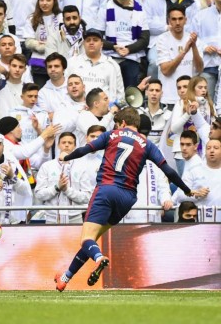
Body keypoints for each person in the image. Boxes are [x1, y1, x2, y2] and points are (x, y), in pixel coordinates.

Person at [54, 107, 200, 292]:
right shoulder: (148, 144)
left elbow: (85, 149)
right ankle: (65, 278)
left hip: (106, 190)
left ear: (122, 123)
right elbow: (168, 171)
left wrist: (66, 156)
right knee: (93, 239)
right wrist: (187, 190)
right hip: (127, 198)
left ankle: (99, 258)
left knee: (86, 239)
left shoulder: (112, 135)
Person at [102, 0, 150, 88]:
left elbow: (145, 39)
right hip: (110, 56)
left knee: (131, 93)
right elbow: (97, 37)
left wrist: (129, 49)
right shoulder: (106, 8)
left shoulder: (139, 10)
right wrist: (113, 46)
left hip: (132, 57)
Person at [35, 132, 93, 224]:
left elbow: (87, 197)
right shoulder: (47, 166)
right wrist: (57, 187)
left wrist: (67, 190)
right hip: (51, 218)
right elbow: (39, 194)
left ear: (75, 146)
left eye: (70, 143)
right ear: (58, 145)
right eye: (63, 142)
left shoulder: (82, 167)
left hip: (75, 218)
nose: (66, 145)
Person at [156, 5, 203, 108]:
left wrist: (193, 46)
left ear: (185, 20)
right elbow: (166, 71)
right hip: (169, 99)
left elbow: (199, 69)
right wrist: (184, 52)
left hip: (190, 98)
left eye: (180, 19)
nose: (177, 22)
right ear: (169, 21)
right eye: (174, 19)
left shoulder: (194, 39)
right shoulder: (162, 40)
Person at [66, 28, 124, 104]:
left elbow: (121, 95)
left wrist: (115, 109)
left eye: (95, 40)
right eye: (88, 40)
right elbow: (64, 89)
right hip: (76, 110)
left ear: (102, 44)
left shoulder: (112, 65)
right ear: (83, 44)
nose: (91, 43)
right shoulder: (72, 62)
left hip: (105, 113)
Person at [22, 0, 62, 82]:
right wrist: (38, 45)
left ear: (54, 1)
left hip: (58, 62)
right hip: (39, 63)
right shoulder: (32, 18)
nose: (44, 3)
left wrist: (46, 45)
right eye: (42, 0)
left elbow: (64, 40)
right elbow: (28, 41)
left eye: (48, 0)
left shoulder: (61, 17)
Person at [137, 79, 172, 147]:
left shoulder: (169, 114)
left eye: (157, 90)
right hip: (141, 153)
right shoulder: (137, 112)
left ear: (161, 93)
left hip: (160, 155)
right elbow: (120, 105)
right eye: (151, 90)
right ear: (146, 92)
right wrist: (137, 89)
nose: (154, 93)